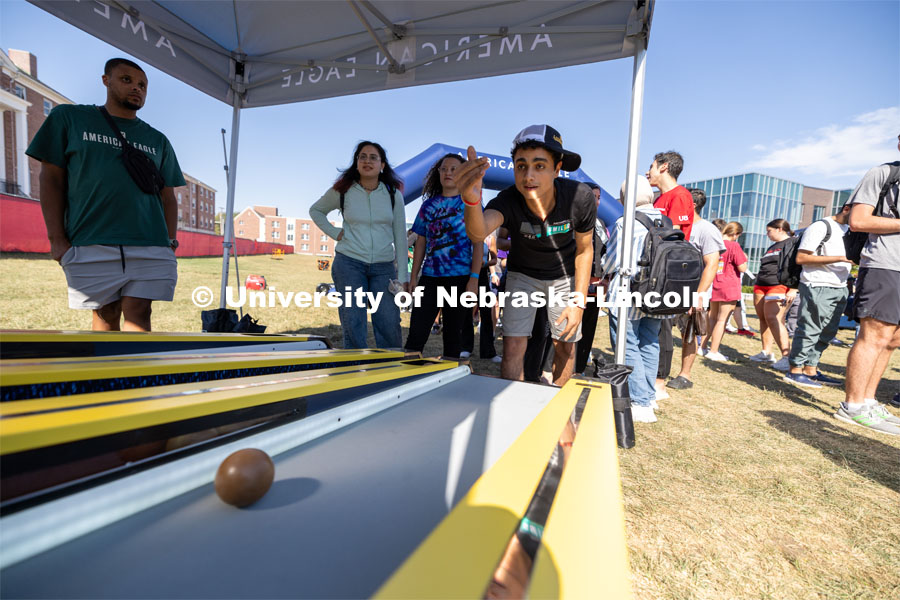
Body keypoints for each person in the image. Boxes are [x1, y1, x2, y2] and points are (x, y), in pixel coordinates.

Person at [26, 58, 184, 332]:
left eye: (142, 85)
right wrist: (57, 239)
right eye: (127, 80)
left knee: (139, 312)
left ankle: (137, 375)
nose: (137, 88)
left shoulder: (158, 140)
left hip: (150, 240)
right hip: (91, 238)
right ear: (106, 80)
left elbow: (168, 197)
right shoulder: (69, 117)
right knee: (105, 314)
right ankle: (107, 376)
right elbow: (51, 179)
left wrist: (169, 241)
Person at [456, 125, 594, 387]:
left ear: (557, 168)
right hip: (523, 275)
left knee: (565, 345)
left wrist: (578, 301)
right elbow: (477, 233)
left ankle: (561, 411)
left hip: (564, 276)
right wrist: (472, 200)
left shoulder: (580, 197)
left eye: (539, 166)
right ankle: (510, 409)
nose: (529, 175)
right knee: (513, 347)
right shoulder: (508, 199)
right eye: (521, 166)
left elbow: (585, 250)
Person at [310, 141, 407, 349]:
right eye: (362, 156)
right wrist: (335, 233)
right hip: (349, 264)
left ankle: (390, 367)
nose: (367, 161)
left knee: (388, 320)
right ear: (356, 163)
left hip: (384, 267)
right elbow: (316, 210)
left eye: (373, 157)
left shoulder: (393, 195)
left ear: (382, 165)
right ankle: (353, 369)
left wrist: (404, 278)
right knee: (353, 320)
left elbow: (400, 235)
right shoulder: (343, 191)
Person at [835, 142, 900, 436]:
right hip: (885, 263)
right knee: (875, 335)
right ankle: (852, 406)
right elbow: (858, 220)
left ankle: (869, 401)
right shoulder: (883, 173)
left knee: (892, 340)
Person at [599, 176, 665, 422]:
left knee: (627, 344)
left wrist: (603, 267)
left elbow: (613, 261)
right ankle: (649, 395)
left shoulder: (625, 223)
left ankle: (640, 401)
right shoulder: (664, 220)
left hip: (629, 290)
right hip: (659, 294)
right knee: (649, 342)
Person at [405, 154, 483, 360]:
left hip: (460, 278)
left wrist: (474, 279)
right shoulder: (428, 206)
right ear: (438, 173)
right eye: (444, 169)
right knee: (416, 332)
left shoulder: (470, 203)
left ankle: (451, 380)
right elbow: (420, 242)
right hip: (430, 277)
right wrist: (414, 277)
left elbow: (478, 242)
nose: (448, 173)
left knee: (453, 337)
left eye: (454, 169)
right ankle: (406, 378)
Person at [784, 204, 853, 388]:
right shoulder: (821, 226)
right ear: (847, 208)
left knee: (828, 331)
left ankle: (811, 369)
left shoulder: (848, 230)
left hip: (840, 286)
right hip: (817, 284)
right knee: (810, 328)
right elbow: (802, 258)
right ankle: (795, 369)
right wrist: (839, 258)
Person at [666, 189, 725, 390]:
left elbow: (712, 264)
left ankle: (685, 375)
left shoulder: (706, 229)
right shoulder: (676, 226)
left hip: (692, 293)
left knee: (688, 333)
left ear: (691, 205)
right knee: (661, 332)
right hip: (668, 291)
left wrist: (698, 295)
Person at [647, 151, 693, 399]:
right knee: (652, 324)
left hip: (669, 271)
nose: (648, 171)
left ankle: (659, 382)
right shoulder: (659, 198)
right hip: (653, 270)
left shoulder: (680, 196)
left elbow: (673, 235)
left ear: (664, 167)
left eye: (651, 166)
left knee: (663, 325)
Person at [748, 219, 797, 370]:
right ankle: (766, 352)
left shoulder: (793, 243)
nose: (767, 234)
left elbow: (797, 265)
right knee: (764, 318)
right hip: (761, 284)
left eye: (769, 231)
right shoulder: (771, 247)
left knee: (774, 318)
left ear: (780, 229)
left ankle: (786, 356)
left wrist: (793, 288)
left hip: (779, 285)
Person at [700, 221, 748, 362]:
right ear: (736, 234)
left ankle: (702, 346)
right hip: (730, 285)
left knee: (712, 318)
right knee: (722, 320)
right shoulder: (734, 245)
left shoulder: (716, 244)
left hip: (716, 283)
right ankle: (714, 350)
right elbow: (742, 268)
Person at [575, 181, 610, 374]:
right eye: (592, 197)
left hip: (596, 285)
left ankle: (579, 367)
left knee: (588, 328)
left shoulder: (601, 223)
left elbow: (604, 252)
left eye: (598, 198)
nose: (596, 202)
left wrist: (605, 278)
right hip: (576, 283)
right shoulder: (573, 219)